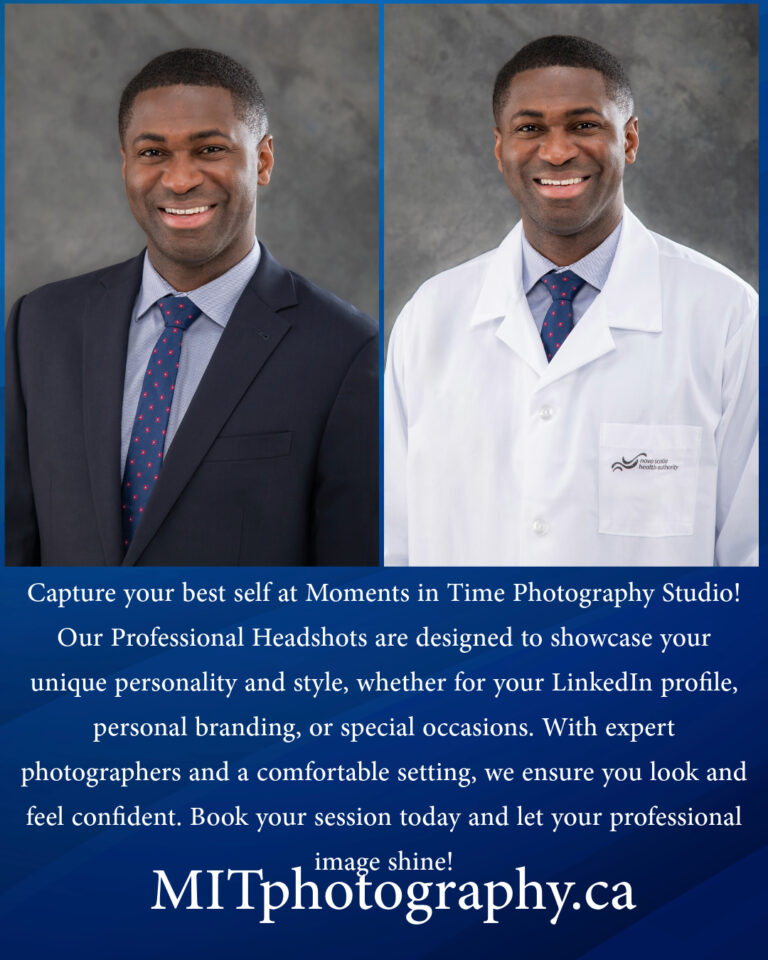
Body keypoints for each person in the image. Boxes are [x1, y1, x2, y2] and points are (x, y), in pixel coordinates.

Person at [385, 34, 757, 567]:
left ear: (628, 141)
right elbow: (395, 546)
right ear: (499, 149)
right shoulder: (431, 317)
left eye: (584, 125)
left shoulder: (727, 318)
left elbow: (750, 558)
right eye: (529, 128)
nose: (556, 151)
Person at [7, 48, 378, 566]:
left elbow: (345, 590)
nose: (179, 180)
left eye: (208, 149)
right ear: (126, 165)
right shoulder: (40, 325)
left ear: (263, 160)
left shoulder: (346, 350)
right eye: (153, 153)